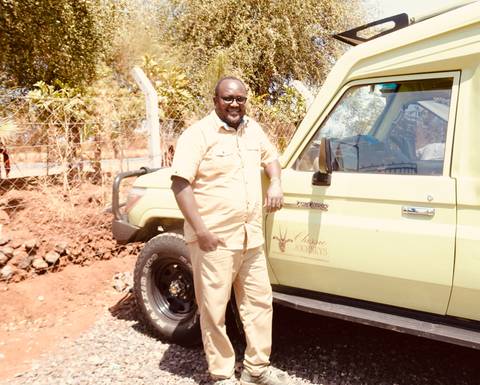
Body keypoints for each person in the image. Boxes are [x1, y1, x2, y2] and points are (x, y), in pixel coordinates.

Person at [170, 77, 289, 385]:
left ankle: (256, 369)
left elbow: (271, 157)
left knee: (260, 304)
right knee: (214, 310)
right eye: (228, 98)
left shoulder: (253, 129)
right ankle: (222, 375)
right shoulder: (197, 135)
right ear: (215, 100)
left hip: (251, 238)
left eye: (240, 99)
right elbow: (180, 184)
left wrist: (275, 181)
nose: (235, 104)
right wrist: (201, 231)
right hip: (214, 240)